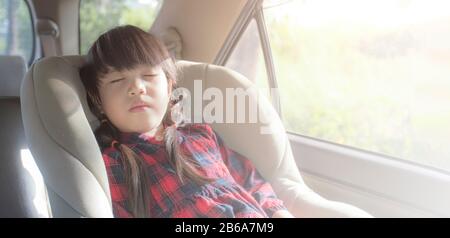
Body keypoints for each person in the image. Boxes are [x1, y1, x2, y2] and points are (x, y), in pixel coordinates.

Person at [79, 25, 294, 218]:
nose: (137, 87)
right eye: (117, 80)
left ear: (170, 87)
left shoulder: (202, 135)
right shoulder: (113, 164)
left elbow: (250, 180)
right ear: (98, 102)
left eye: (149, 75)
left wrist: (278, 212)